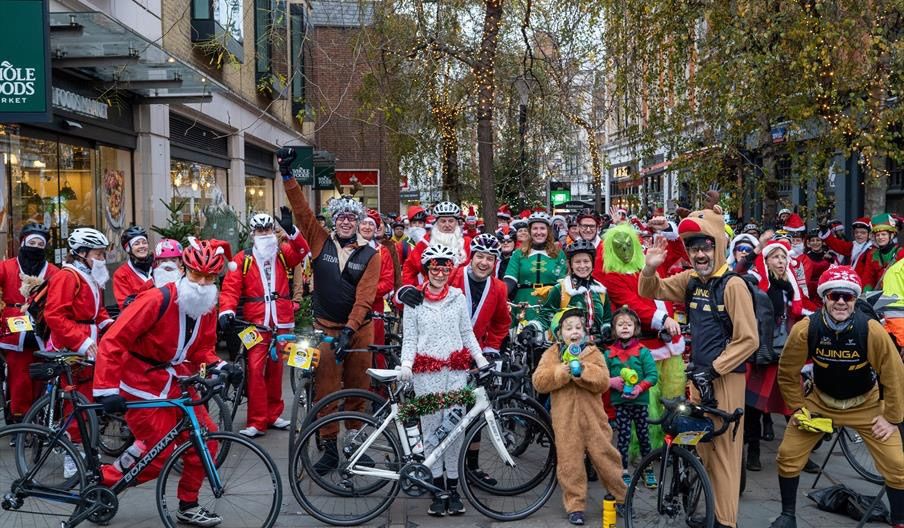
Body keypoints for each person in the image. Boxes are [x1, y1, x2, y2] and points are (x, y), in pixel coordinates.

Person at [92, 238, 243, 527]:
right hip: (141, 381)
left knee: (206, 443)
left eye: (209, 278)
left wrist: (222, 365)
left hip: (177, 382)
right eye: (196, 275)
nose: (201, 284)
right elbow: (114, 339)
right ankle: (104, 482)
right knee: (155, 452)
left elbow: (202, 348)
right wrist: (107, 390)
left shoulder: (208, 304)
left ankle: (188, 505)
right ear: (184, 270)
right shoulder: (157, 298)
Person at [638, 207, 758, 528]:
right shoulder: (690, 279)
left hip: (726, 378)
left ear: (718, 245)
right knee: (702, 449)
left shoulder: (733, 286)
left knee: (725, 456)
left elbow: (748, 340)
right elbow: (649, 291)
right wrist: (650, 269)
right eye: (693, 247)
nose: (699, 253)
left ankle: (725, 521)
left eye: (705, 246)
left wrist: (715, 369)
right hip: (699, 378)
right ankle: (709, 511)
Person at [771, 265, 904, 528]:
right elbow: (787, 370)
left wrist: (891, 418)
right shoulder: (806, 329)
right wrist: (797, 407)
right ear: (824, 297)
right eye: (834, 296)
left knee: (897, 465)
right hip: (820, 402)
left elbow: (894, 374)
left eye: (848, 296)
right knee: (787, 455)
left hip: (865, 403)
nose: (841, 302)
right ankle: (788, 515)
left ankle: (899, 518)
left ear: (855, 299)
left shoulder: (870, 330)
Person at [276, 147, 381, 467]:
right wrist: (287, 174)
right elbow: (302, 211)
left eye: (352, 218)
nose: (347, 222)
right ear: (335, 221)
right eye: (342, 218)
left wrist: (351, 329)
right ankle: (329, 444)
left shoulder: (370, 254)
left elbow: (365, 296)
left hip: (359, 330)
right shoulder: (320, 240)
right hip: (325, 328)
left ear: (359, 222)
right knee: (324, 388)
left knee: (358, 385)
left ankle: (353, 442)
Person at [398, 244, 489, 517]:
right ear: (427, 270)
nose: (440, 273)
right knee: (431, 428)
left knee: (455, 429)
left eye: (445, 267)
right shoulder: (414, 301)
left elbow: (466, 332)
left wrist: (481, 360)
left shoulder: (458, 297)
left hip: (457, 373)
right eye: (434, 268)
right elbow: (410, 338)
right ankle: (436, 488)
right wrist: (405, 364)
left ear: (451, 270)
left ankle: (454, 487)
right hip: (427, 374)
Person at [218, 210, 309, 437]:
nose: (264, 233)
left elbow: (303, 251)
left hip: (282, 321)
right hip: (254, 323)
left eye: (267, 229)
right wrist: (226, 311)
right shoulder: (243, 259)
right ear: (253, 233)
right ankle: (257, 421)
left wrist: (292, 231)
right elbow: (230, 288)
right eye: (260, 230)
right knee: (256, 369)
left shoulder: (282, 253)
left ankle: (273, 414)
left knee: (277, 367)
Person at [532, 307, 627, 526]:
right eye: (568, 328)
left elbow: (603, 382)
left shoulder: (592, 352)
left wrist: (583, 370)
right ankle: (575, 505)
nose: (574, 332)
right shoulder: (552, 354)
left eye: (578, 327)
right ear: (559, 333)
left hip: (594, 420)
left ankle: (621, 496)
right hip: (565, 422)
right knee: (569, 463)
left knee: (606, 457)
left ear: (584, 331)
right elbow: (539, 381)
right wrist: (561, 372)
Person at [44, 227, 115, 474]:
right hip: (74, 347)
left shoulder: (91, 274)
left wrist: (112, 327)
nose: (102, 258)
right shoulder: (68, 277)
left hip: (91, 344)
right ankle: (72, 455)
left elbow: (98, 311)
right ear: (81, 253)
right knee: (76, 402)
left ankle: (86, 445)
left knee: (88, 398)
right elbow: (54, 315)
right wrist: (81, 343)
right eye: (98, 253)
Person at [743, 238, 813, 472]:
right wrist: (754, 252)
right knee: (753, 406)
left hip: (787, 354)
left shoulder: (790, 287)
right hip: (763, 353)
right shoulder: (756, 282)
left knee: (795, 405)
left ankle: (801, 453)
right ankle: (753, 451)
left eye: (783, 257)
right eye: (775, 257)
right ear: (766, 260)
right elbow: (737, 275)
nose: (781, 261)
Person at [0, 224, 58, 423]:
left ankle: (39, 416)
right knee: (19, 376)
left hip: (43, 324)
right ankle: (19, 420)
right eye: (31, 242)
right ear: (23, 243)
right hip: (14, 325)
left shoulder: (53, 270)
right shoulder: (6, 266)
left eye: (40, 244)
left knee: (41, 373)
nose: (35, 247)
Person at [604, 306, 659, 488]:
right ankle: (624, 470)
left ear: (635, 328)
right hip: (621, 404)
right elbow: (601, 376)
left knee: (644, 437)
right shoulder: (609, 354)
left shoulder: (643, 352)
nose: (625, 327)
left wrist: (640, 387)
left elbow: (652, 375)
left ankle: (647, 469)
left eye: (629, 324)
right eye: (620, 324)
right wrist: (611, 381)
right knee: (623, 438)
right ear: (614, 329)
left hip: (640, 403)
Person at [529, 239, 611, 338]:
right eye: (577, 262)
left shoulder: (601, 291)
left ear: (592, 263)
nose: (582, 266)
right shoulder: (560, 289)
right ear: (571, 265)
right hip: (568, 348)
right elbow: (546, 316)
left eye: (586, 261)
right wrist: (532, 328)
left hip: (596, 348)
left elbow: (607, 319)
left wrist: (607, 329)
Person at [503, 211, 567, 323]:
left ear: (548, 231)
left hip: (550, 302)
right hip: (523, 303)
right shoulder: (518, 253)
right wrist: (500, 296)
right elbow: (510, 279)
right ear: (529, 231)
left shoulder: (558, 253)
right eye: (535, 228)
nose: (538, 232)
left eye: (542, 228)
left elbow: (562, 283)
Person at [398, 201, 471, 297]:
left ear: (456, 223)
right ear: (437, 223)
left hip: (460, 295)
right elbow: (409, 267)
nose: (447, 225)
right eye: (443, 221)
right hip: (431, 295)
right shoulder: (426, 242)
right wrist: (408, 289)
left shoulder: (466, 243)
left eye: (451, 221)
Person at [359, 209, 398, 346]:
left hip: (374, 305)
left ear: (376, 229)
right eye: (364, 223)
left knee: (375, 344)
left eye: (371, 224)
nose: (367, 227)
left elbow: (388, 281)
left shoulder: (383, 251)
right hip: (349, 304)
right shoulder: (348, 248)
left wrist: (366, 294)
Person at [112, 225, 153, 308]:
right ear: (128, 248)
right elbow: (126, 306)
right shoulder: (121, 274)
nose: (142, 246)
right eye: (137, 243)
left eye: (144, 242)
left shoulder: (157, 266)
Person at [862, 213, 904, 290]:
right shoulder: (872, 255)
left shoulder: (901, 253)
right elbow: (868, 279)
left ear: (891, 235)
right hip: (879, 297)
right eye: (877, 235)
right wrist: (866, 295)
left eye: (883, 234)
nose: (880, 237)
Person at [797, 229, 837, 304]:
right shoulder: (804, 258)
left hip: (825, 290)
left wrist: (832, 260)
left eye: (818, 240)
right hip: (809, 292)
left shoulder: (830, 257)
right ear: (809, 243)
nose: (815, 243)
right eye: (813, 240)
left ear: (822, 242)